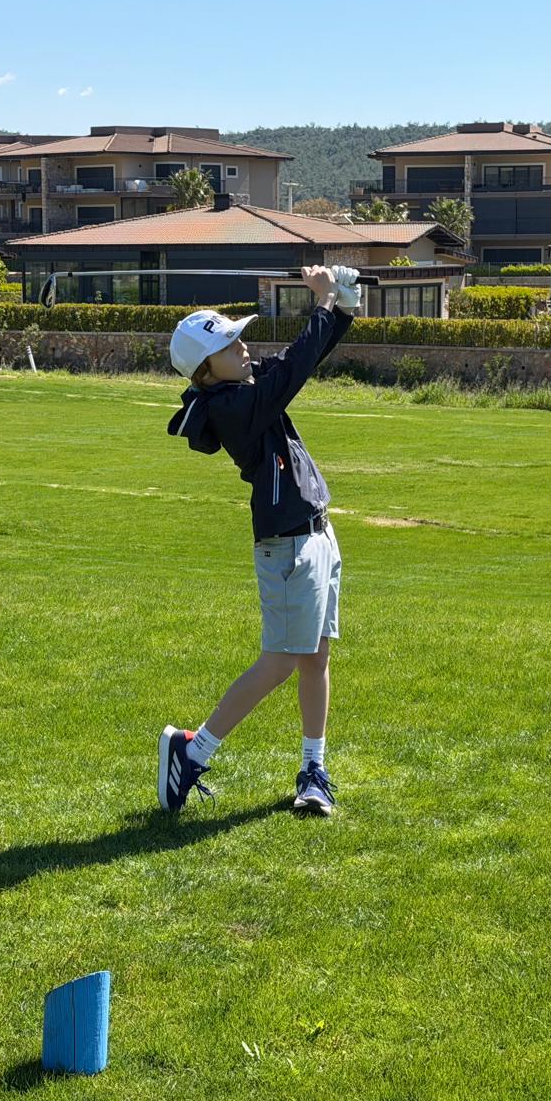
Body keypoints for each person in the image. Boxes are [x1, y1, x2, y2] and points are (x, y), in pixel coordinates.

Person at [159, 264, 362, 816]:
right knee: (279, 662)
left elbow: (307, 356)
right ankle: (193, 751)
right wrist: (323, 301)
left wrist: (343, 306)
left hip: (316, 535)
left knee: (315, 658)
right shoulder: (234, 406)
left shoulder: (242, 386)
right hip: (288, 547)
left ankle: (313, 771)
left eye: (239, 338)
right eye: (229, 346)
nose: (243, 347)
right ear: (206, 372)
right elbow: (295, 368)